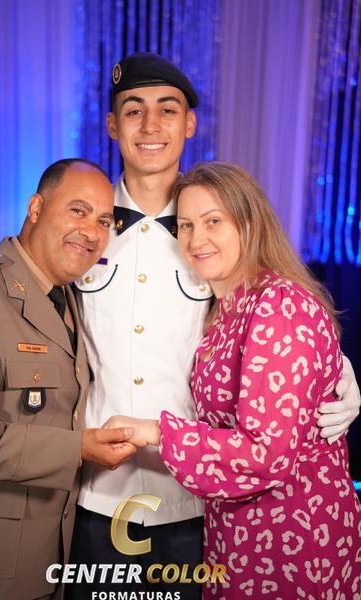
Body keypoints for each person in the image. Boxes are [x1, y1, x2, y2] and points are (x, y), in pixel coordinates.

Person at [67, 53, 361, 598]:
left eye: (167, 110)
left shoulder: (219, 227)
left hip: (201, 506)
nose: (150, 126)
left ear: (189, 124)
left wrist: (341, 373)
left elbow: (279, 323)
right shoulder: (82, 225)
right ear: (111, 125)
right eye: (133, 110)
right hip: (98, 495)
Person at [105, 161, 361, 599]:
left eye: (213, 222)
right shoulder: (228, 308)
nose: (195, 239)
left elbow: (266, 454)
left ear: (249, 224)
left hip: (293, 535)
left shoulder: (279, 305)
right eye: (186, 225)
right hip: (239, 532)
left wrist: (155, 431)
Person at [0, 159, 137, 600]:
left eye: (103, 220)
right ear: (36, 208)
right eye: (78, 210)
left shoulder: (67, 297)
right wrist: (78, 448)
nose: (91, 231)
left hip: (42, 562)